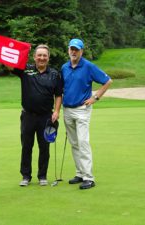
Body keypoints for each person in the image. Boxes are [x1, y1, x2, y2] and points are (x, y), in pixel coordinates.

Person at [61, 38, 112, 190]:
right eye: (72, 49)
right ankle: (80, 173)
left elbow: (108, 81)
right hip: (67, 110)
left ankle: (89, 178)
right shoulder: (64, 67)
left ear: (81, 51)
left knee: (83, 142)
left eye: (77, 49)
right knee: (74, 143)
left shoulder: (88, 66)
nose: (74, 52)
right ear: (69, 50)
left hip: (82, 109)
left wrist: (95, 97)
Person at [9, 44, 63, 187]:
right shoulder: (26, 70)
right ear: (34, 57)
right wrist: (3, 53)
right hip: (28, 116)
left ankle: (42, 176)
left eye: (44, 55)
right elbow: (9, 66)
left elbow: (58, 95)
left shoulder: (54, 74)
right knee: (26, 146)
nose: (42, 58)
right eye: (39, 55)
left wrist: (57, 111)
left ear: (48, 58)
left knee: (44, 147)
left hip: (46, 117)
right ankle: (26, 176)